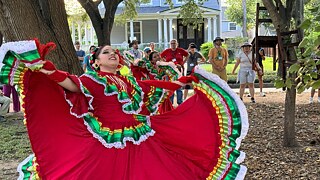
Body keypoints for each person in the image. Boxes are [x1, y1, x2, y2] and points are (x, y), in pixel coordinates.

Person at [0, 39, 248, 179]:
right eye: (107, 53)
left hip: (140, 134)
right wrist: (44, 68)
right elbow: (67, 82)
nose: (113, 55)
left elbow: (156, 85)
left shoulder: (128, 81)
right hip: (107, 140)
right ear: (95, 61)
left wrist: (185, 81)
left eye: (115, 53)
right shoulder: (90, 80)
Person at [161, 39, 189, 105]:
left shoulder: (180, 50)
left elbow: (188, 55)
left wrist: (183, 63)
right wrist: (166, 63)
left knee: (179, 87)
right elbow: (161, 56)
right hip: (169, 72)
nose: (173, 45)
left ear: (177, 44)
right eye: (172, 43)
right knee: (170, 87)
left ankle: (180, 102)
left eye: (174, 43)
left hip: (179, 71)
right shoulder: (167, 51)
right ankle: (171, 103)